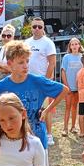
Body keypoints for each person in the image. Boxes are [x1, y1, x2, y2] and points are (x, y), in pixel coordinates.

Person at [25, 17, 57, 145]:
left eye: (40, 27)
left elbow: (52, 63)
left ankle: (49, 134)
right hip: (28, 81)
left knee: (45, 108)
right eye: (34, 26)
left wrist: (46, 80)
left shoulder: (48, 43)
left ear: (43, 28)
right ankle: (30, 132)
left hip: (42, 81)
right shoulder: (26, 42)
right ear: (31, 28)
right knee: (29, 107)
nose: (37, 29)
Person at [60, 37, 83, 136]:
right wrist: (66, 85)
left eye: (76, 44)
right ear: (70, 46)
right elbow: (63, 71)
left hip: (78, 87)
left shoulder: (82, 57)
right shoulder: (66, 57)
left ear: (79, 45)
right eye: (72, 44)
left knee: (75, 107)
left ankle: (73, 127)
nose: (74, 46)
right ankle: (65, 128)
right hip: (69, 87)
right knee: (68, 107)